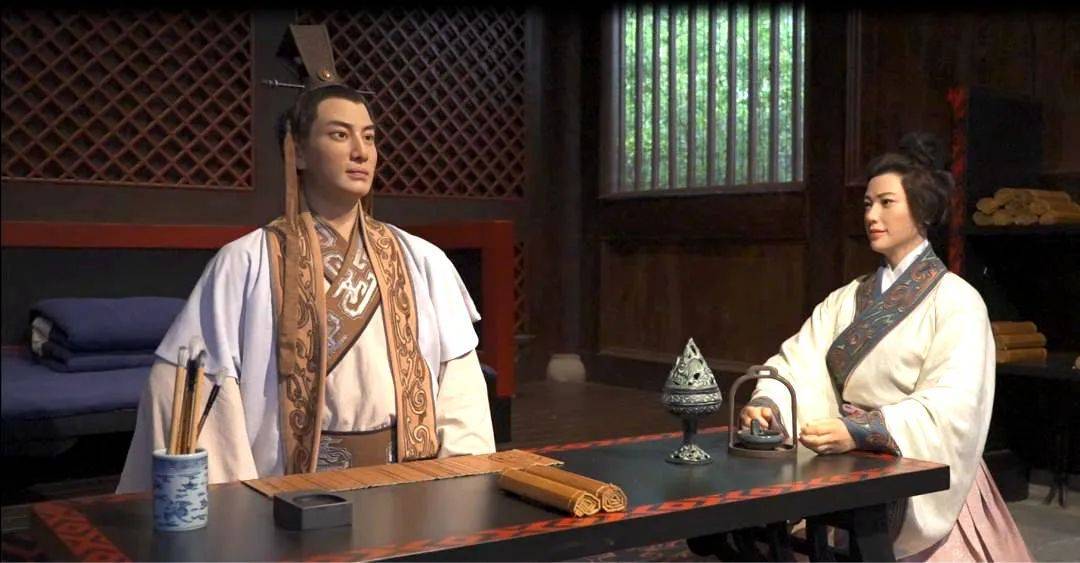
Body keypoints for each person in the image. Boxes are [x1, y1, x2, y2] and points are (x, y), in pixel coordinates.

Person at [117, 26, 494, 492]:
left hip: (410, 484)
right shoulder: (246, 263)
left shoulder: (422, 260)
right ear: (297, 152)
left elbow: (460, 384)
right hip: (291, 494)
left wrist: (458, 482)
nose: (361, 152)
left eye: (369, 138)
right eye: (339, 135)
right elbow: (188, 383)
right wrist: (237, 502)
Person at [739, 132, 1031, 560]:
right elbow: (799, 363)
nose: (871, 215)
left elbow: (953, 404)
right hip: (846, 465)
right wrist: (770, 401)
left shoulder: (957, 301)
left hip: (918, 472)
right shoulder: (845, 299)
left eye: (886, 203)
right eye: (867, 204)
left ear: (922, 210)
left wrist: (863, 430)